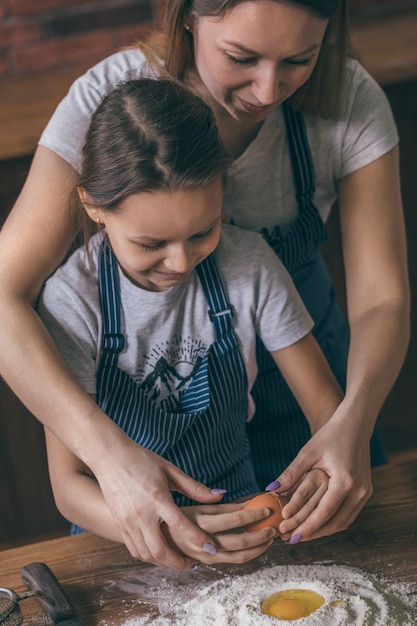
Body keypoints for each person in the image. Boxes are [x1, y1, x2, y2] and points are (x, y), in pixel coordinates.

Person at [0, 0, 409, 570]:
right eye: (241, 56)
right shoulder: (108, 107)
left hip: (307, 373)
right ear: (188, 15)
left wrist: (351, 424)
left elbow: (382, 299)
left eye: (299, 59)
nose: (268, 92)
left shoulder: (255, 262)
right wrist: (111, 458)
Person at [37, 77, 343, 563]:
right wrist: (172, 527)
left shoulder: (251, 266)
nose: (180, 263)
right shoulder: (73, 301)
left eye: (203, 232)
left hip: (240, 525)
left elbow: (328, 409)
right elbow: (69, 487)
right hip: (117, 538)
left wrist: (322, 477)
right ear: (94, 206)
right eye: (152, 244)